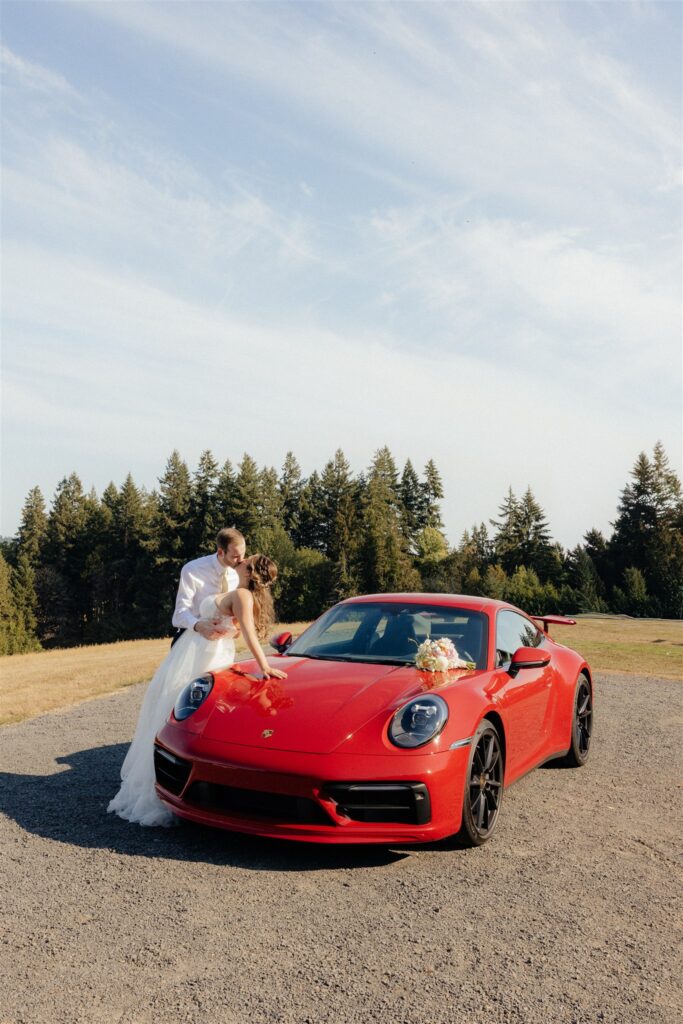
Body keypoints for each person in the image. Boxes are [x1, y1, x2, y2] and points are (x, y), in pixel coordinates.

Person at [108, 553, 286, 827]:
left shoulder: (241, 595)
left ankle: (169, 786)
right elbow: (235, 628)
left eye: (245, 560)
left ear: (250, 572)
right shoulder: (236, 591)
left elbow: (248, 632)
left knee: (181, 711)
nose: (240, 560)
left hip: (204, 655)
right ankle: (166, 782)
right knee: (173, 708)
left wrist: (264, 666)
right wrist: (225, 629)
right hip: (196, 650)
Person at [172, 527, 246, 644]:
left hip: (222, 645)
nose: (241, 560)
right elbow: (179, 613)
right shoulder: (192, 570)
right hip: (190, 642)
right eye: (235, 556)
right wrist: (199, 625)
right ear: (221, 552)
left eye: (243, 554)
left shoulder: (238, 573)